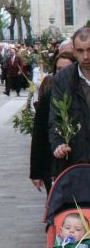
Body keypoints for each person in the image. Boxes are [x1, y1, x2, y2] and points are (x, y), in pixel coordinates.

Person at [30, 51, 76, 194]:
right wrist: (36, 172)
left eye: (67, 69)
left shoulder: (82, 95)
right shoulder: (48, 98)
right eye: (59, 70)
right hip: (53, 165)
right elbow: (39, 135)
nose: (63, 73)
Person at [49, 26, 90, 172]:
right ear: (73, 51)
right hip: (77, 160)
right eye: (80, 51)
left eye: (89, 50)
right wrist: (58, 144)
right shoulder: (63, 78)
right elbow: (55, 117)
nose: (86, 56)